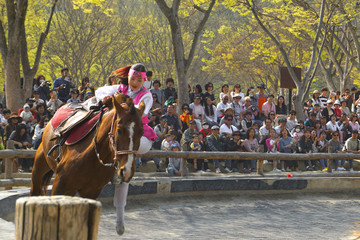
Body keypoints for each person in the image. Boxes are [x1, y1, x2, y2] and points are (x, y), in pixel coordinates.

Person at [95, 63, 157, 235]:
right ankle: (116, 166)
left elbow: (140, 112)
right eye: (132, 79)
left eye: (139, 80)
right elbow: (99, 91)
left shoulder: (147, 96)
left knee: (130, 153)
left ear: (144, 81)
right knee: (123, 171)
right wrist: (109, 97)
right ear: (128, 78)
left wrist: (120, 100)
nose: (135, 82)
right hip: (119, 135)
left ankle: (120, 216)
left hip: (138, 136)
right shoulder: (120, 88)